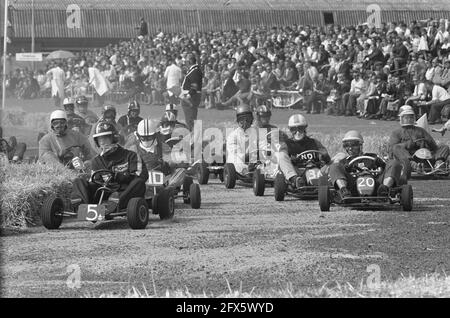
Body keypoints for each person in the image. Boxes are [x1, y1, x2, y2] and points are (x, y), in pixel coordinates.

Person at [70, 121, 148, 216]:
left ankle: (114, 205)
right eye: (100, 139)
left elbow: (141, 176)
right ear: (97, 142)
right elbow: (95, 182)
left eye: (106, 138)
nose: (103, 142)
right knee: (79, 181)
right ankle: (82, 208)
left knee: (139, 182)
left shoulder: (131, 156)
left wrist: (121, 176)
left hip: (124, 191)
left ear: (114, 138)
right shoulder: (97, 161)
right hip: (105, 191)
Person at [329, 130, 402, 201]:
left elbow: (388, 167)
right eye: (346, 145)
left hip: (376, 185)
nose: (350, 148)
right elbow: (337, 172)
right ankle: (344, 190)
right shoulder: (345, 161)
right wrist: (346, 168)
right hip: (353, 187)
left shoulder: (372, 157)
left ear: (360, 145)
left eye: (353, 145)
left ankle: (385, 189)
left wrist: (382, 164)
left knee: (394, 163)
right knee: (334, 166)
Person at [277, 114, 331, 188]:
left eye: (300, 128)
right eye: (294, 129)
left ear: (305, 128)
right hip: (297, 171)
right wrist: (291, 160)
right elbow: (283, 159)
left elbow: (323, 153)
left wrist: (323, 157)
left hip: (316, 169)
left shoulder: (314, 142)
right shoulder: (287, 144)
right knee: (282, 156)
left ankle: (329, 181)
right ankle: (294, 179)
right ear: (290, 130)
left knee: (339, 156)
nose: (297, 132)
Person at [389, 105, 450, 171]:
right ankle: (413, 165)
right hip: (409, 157)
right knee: (396, 147)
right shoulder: (396, 132)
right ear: (401, 118)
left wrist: (425, 142)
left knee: (444, 146)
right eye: (406, 117)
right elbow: (392, 150)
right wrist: (408, 144)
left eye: (411, 117)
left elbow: (433, 146)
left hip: (425, 157)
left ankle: (439, 164)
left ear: (414, 118)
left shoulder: (421, 130)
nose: (409, 119)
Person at [180, 55, 202, 131]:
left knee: (190, 118)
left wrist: (187, 97)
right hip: (191, 96)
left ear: (189, 61)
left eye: (186, 61)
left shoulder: (195, 71)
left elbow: (194, 86)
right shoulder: (194, 70)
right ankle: (194, 137)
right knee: (190, 117)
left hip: (191, 97)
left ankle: (194, 138)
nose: (185, 63)